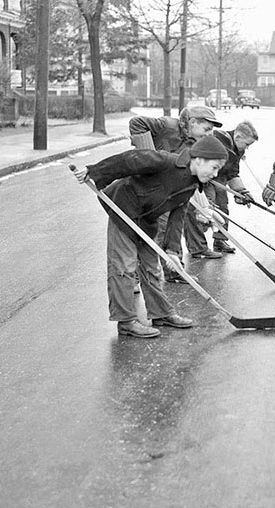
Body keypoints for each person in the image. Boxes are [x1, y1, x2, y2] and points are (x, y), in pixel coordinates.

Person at [72, 135, 229, 338]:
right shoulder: (165, 162)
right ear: (199, 159)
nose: (215, 174)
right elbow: (129, 160)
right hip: (124, 210)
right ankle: (126, 321)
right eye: (214, 167)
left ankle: (161, 313)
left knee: (152, 268)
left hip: (146, 220)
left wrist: (172, 251)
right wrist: (94, 171)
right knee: (123, 267)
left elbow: (177, 216)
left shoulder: (191, 184)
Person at [127, 105, 224, 272]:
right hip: (147, 188)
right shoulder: (167, 125)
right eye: (206, 129)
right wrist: (150, 158)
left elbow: (191, 178)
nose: (209, 134)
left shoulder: (195, 145)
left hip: (169, 190)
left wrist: (206, 209)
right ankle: (135, 277)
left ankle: (173, 271)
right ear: (192, 122)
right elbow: (136, 122)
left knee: (173, 229)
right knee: (153, 232)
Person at [185, 121, 259, 255]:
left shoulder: (238, 150)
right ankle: (198, 247)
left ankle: (220, 240)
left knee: (223, 209)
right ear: (238, 137)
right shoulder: (219, 138)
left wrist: (241, 192)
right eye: (247, 144)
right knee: (205, 210)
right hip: (206, 178)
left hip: (220, 179)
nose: (247, 148)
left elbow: (233, 173)